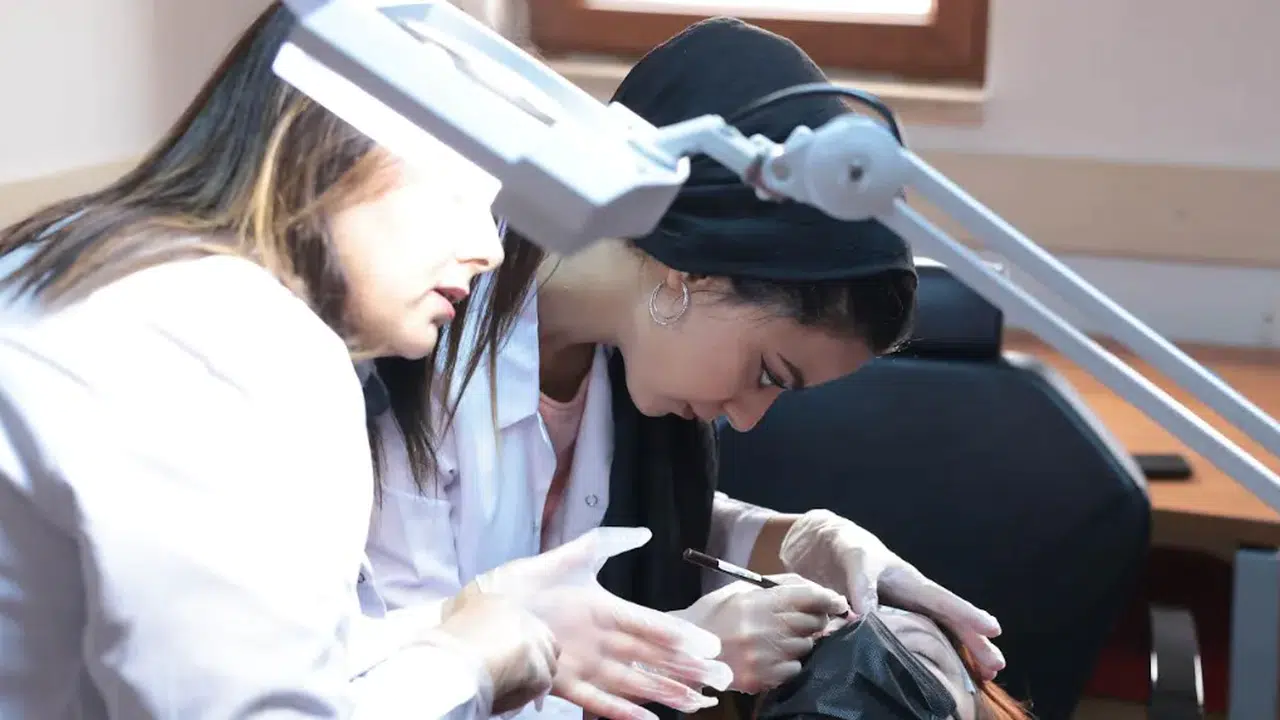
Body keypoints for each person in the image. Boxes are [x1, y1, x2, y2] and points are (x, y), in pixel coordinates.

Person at [0, 4, 727, 718]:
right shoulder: (240, 343)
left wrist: (467, 620)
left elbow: (266, 655)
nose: (488, 249)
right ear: (331, 148)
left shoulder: (75, 262)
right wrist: (469, 664)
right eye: (459, 190)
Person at [364, 15, 1006, 720]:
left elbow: (611, 525)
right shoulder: (417, 341)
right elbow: (398, 683)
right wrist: (678, 650)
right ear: (694, 274)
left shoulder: (625, 362)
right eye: (769, 373)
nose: (749, 418)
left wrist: (799, 541)